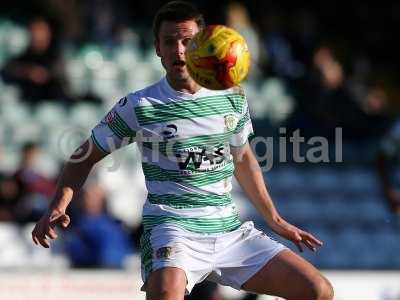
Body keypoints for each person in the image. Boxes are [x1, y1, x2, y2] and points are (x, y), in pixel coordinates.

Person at [32, 2, 334, 299]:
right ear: (157, 48)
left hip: (229, 231)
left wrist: (275, 219)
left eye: (187, 41)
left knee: (318, 290)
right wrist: (58, 205)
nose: (178, 49)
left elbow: (242, 158)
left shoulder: (231, 97)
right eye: (169, 42)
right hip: (172, 230)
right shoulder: (140, 106)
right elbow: (84, 156)